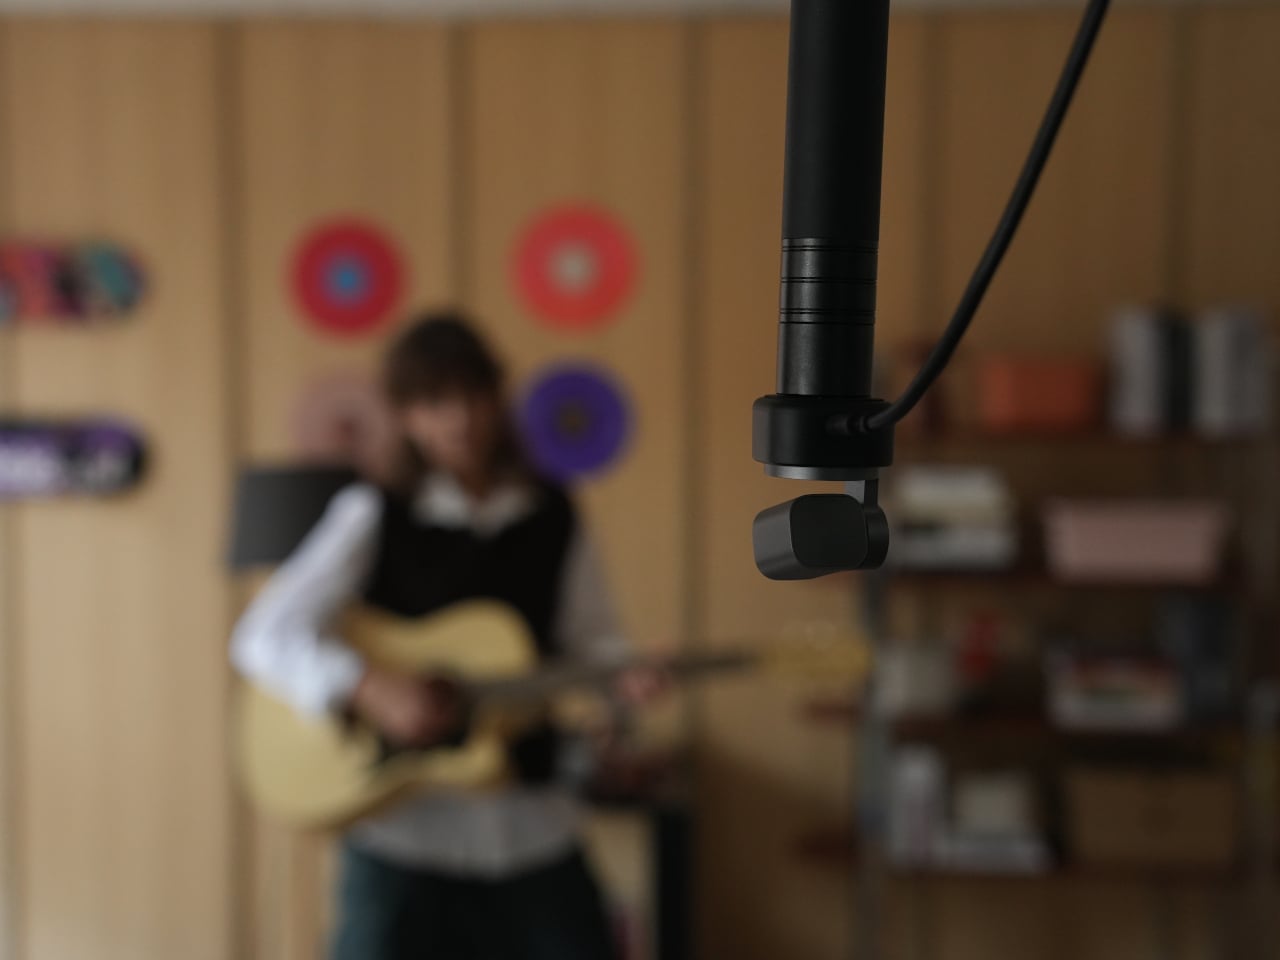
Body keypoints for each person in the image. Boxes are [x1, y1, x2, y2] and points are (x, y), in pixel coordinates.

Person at [231, 311, 648, 960]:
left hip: (531, 827)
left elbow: (592, 644)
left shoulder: (554, 513)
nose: (459, 419)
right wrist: (367, 685)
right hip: (404, 836)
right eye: (434, 403)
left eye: (472, 395)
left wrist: (620, 691)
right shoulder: (374, 511)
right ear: (406, 417)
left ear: (497, 397)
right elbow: (263, 635)